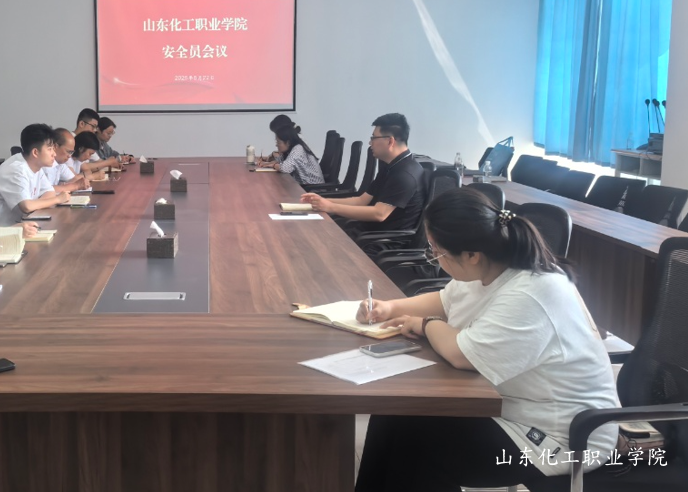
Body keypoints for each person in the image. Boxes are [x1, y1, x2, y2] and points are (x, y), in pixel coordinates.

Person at [353, 188, 619, 491]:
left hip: (562, 437)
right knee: (395, 414)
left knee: (422, 443)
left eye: (436, 251)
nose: (434, 259)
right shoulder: (490, 266)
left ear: (471, 255)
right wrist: (390, 307)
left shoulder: (533, 292)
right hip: (514, 409)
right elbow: (445, 300)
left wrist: (426, 325)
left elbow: (460, 354)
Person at [300, 112, 425, 234]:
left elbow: (379, 214)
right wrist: (323, 201)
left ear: (390, 141)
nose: (370, 143)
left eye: (374, 138)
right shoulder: (391, 166)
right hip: (366, 231)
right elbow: (361, 201)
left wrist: (330, 207)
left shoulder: (405, 174)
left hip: (379, 241)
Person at [0, 124, 72, 226]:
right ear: (35, 152)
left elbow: (50, 192)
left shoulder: (35, 165)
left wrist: (36, 204)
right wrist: (58, 199)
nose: (54, 154)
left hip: (17, 225)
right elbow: (26, 207)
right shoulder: (16, 169)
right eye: (49, 149)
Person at [259, 124, 324, 185]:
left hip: (313, 188)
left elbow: (285, 168)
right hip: (305, 186)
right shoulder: (291, 150)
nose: (276, 145)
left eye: (278, 142)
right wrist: (268, 164)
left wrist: (273, 165)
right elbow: (282, 162)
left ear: (288, 143)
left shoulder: (298, 149)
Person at [42, 128, 90, 193]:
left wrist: (82, 182)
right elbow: (47, 190)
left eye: (71, 152)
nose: (69, 156)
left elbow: (74, 179)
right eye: (68, 152)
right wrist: (75, 186)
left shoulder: (60, 163)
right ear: (55, 147)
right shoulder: (46, 165)